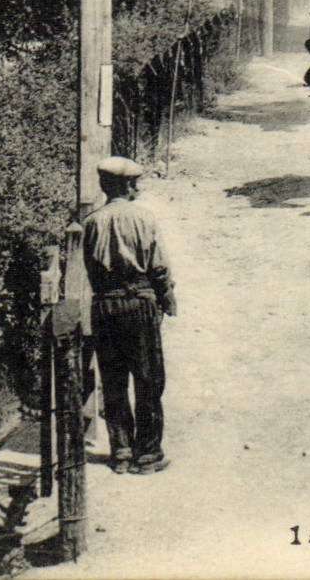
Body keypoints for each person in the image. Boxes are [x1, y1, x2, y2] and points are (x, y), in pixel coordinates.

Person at [82, 156, 176, 474]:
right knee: (148, 379)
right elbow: (158, 267)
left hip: (106, 306)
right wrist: (167, 299)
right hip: (139, 304)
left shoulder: (92, 222)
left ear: (104, 186)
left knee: (113, 379)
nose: (136, 188)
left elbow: (91, 270)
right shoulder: (144, 219)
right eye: (134, 183)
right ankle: (147, 454)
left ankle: (120, 452)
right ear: (128, 186)